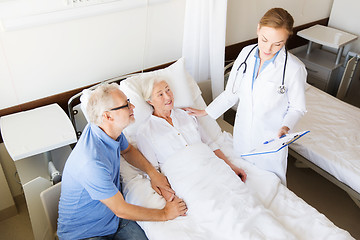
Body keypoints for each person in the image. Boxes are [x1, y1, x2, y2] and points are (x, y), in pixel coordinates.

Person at [184, 8, 306, 185]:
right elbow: (231, 93)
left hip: (270, 141)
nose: (268, 48)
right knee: (244, 181)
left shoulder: (294, 69)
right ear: (258, 29)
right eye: (264, 39)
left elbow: (297, 108)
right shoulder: (245, 53)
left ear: (286, 40)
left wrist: (285, 127)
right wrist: (205, 111)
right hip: (243, 136)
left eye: (278, 44)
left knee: (270, 186)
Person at [57, 83, 187, 240]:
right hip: (85, 234)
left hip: (113, 221)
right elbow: (121, 209)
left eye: (129, 101)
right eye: (126, 105)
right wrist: (166, 213)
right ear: (108, 116)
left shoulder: (108, 131)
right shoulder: (91, 162)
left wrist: (153, 173)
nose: (132, 106)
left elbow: (127, 150)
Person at [136, 77, 247, 202]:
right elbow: (153, 171)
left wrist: (230, 166)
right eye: (160, 94)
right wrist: (169, 197)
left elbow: (210, 143)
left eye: (168, 90)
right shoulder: (145, 131)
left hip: (213, 167)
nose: (167, 97)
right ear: (150, 101)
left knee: (241, 198)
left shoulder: (187, 115)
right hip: (187, 179)